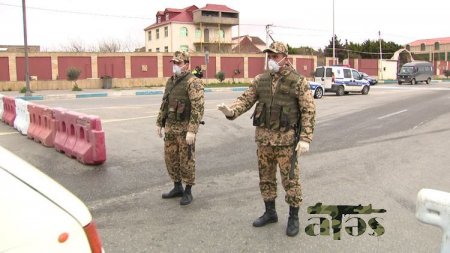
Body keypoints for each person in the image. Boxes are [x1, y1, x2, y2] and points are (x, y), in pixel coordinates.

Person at [217, 42, 316, 236]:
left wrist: (305, 138)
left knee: (291, 181)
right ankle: (270, 212)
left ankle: (293, 217)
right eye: (269, 56)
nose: (271, 60)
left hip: (287, 143)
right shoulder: (260, 80)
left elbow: (308, 110)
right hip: (264, 141)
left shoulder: (297, 81)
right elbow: (246, 99)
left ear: (285, 58)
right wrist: (231, 111)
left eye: (275, 56)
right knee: (266, 179)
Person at [156, 51, 205, 205]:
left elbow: (198, 108)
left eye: (179, 63)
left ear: (186, 64)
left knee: (187, 160)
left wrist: (192, 130)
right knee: (171, 158)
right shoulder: (170, 81)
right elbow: (165, 103)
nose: (175, 66)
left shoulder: (193, 82)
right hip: (170, 127)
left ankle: (188, 190)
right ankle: (177, 187)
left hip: (185, 129)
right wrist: (159, 122)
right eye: (174, 63)